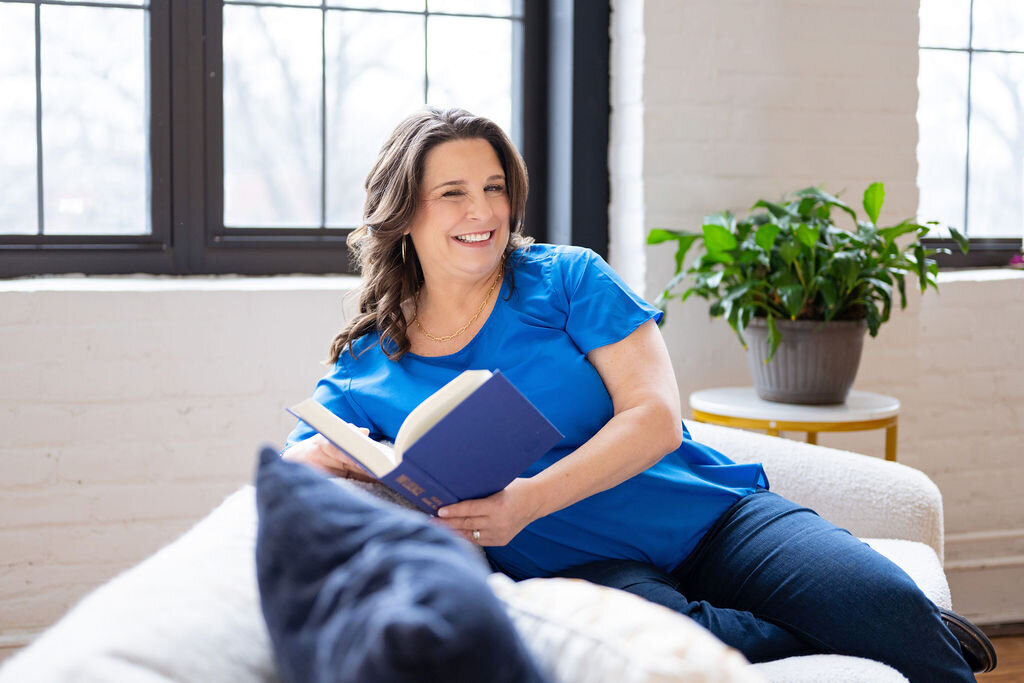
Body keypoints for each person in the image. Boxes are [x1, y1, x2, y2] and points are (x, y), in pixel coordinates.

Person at [281, 106, 995, 680]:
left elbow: (655, 417)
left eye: (494, 186)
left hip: (708, 515)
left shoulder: (566, 279)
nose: (483, 210)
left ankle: (900, 625)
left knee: (883, 600)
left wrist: (526, 500)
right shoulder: (365, 365)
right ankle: (848, 625)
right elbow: (298, 465)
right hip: (583, 569)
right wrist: (335, 455)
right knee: (669, 652)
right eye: (453, 193)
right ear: (405, 215)